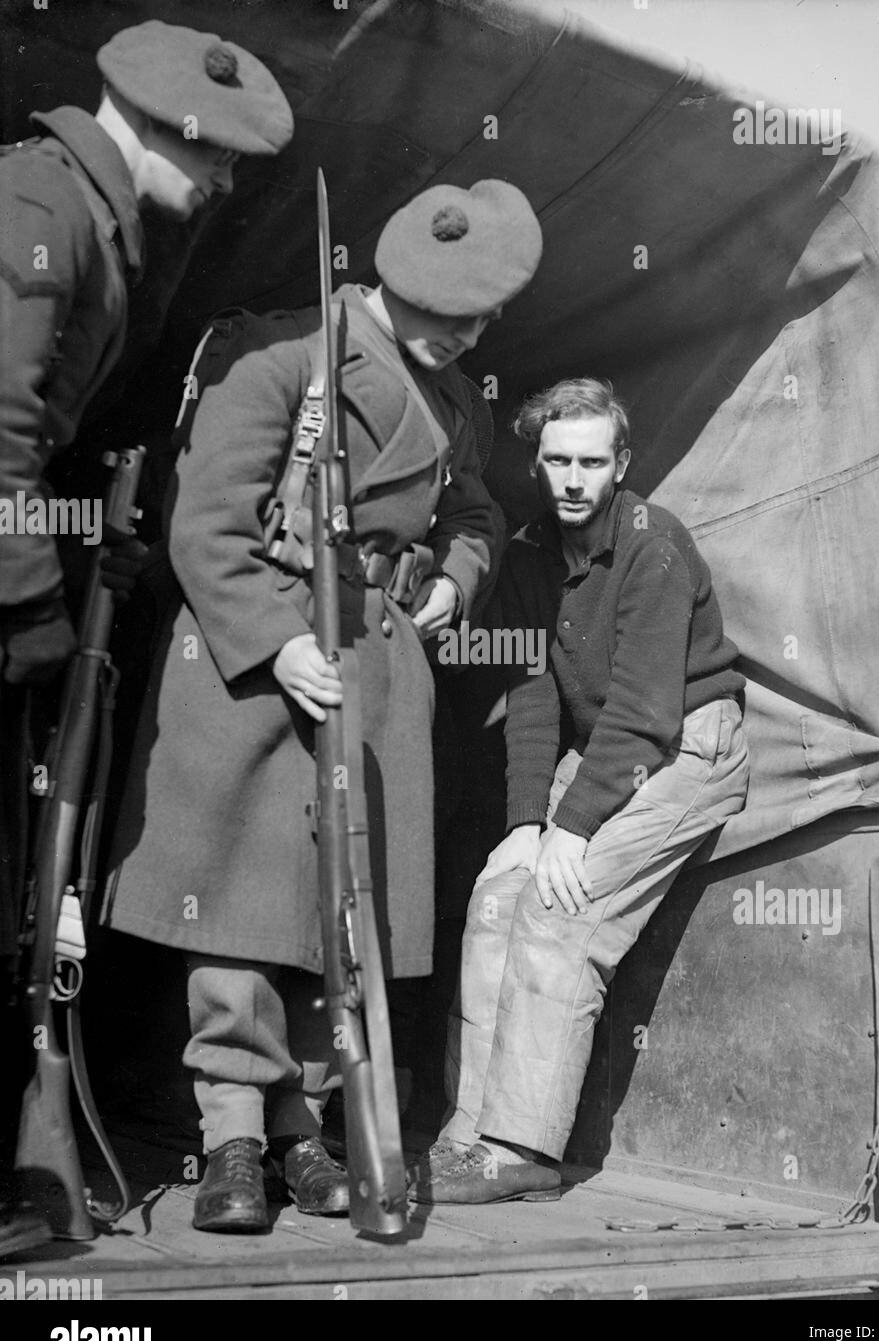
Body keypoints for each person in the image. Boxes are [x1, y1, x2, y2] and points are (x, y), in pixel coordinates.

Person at [102, 180, 543, 1233]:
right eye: (448, 316)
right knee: (243, 909)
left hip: (376, 672)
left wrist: (455, 578)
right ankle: (233, 1141)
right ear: (392, 282)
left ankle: (302, 1125)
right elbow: (207, 523)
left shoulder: (457, 399)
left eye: (482, 320)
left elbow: (474, 504)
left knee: (343, 918)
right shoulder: (282, 354)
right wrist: (278, 639)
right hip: (260, 660)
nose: (466, 336)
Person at [0, 19, 293, 1255]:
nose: (223, 183)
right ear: (164, 129)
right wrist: (32, 609)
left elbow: (45, 443)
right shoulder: (40, 201)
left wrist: (85, 545)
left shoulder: (99, 222)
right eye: (217, 158)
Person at [410, 377, 750, 1203]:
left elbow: (642, 713)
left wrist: (572, 829)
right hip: (604, 754)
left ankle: (521, 1148)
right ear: (537, 459)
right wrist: (529, 823)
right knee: (497, 895)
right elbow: (530, 695)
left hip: (683, 748)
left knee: (558, 914)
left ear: (620, 463)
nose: (572, 479)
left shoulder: (651, 544)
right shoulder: (528, 554)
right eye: (557, 459)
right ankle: (469, 1134)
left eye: (591, 462)